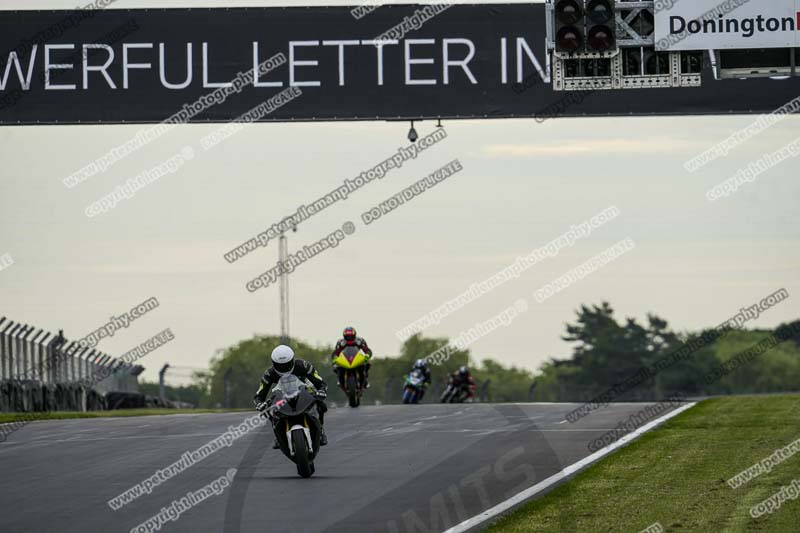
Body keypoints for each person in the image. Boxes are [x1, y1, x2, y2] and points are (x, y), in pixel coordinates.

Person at [254, 344, 328, 447]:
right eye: (280, 366)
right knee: (268, 410)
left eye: (286, 365)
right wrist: (260, 403)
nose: (283, 368)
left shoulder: (303, 365)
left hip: (303, 390)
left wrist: (321, 391)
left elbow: (320, 382)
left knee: (321, 404)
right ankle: (278, 435)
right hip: (282, 394)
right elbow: (259, 394)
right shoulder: (269, 374)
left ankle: (321, 429)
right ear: (274, 363)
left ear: (292, 360)